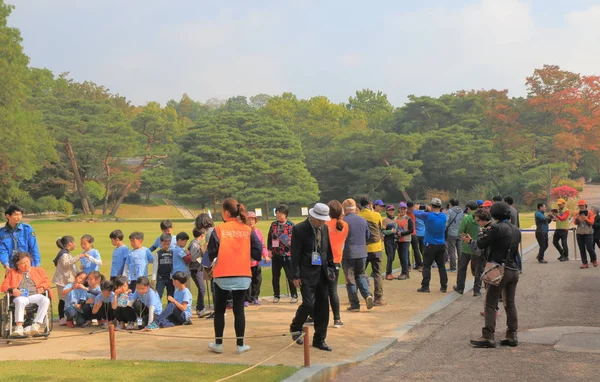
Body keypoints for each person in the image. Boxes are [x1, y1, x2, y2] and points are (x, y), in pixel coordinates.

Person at [206, 198, 262, 354]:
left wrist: (207, 267)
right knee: (239, 310)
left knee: (219, 310)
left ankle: (218, 343)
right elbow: (257, 253)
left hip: (222, 274)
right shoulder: (247, 229)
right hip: (243, 274)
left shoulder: (219, 229)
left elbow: (210, 253)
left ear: (225, 212)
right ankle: (240, 344)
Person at [470, 202, 520, 348]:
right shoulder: (516, 229)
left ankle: (488, 336)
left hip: (498, 267)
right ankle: (512, 334)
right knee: (509, 303)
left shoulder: (496, 228)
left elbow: (481, 243)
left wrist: (481, 232)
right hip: (513, 268)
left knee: (490, 303)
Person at [290, 203, 335, 352]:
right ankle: (296, 327)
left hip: (322, 272)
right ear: (312, 216)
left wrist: (331, 266)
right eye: (319, 220)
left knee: (323, 306)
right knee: (309, 304)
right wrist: (295, 275)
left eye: (323, 220)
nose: (322, 222)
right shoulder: (299, 229)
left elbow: (327, 249)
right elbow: (295, 253)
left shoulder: (324, 228)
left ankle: (320, 339)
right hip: (306, 272)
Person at [0, 252, 51, 337]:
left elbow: (47, 282)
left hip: (34, 295)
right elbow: (4, 286)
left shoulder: (38, 270)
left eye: (27, 261)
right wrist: (12, 289)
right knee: (20, 301)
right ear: (17, 265)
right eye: (23, 263)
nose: (26, 264)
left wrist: (42, 287)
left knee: (45, 300)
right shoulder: (12, 272)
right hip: (20, 296)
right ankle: (19, 327)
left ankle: (36, 325)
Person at [341, 198, 374, 311]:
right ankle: (367, 295)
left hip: (348, 253)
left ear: (344, 209)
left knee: (350, 279)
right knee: (360, 275)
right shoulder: (362, 220)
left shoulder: (343, 221)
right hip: (362, 252)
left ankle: (355, 304)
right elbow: (368, 236)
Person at [414, 198, 448, 293]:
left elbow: (416, 213)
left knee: (426, 266)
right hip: (441, 244)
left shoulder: (428, 215)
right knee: (441, 266)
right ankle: (443, 286)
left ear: (431, 206)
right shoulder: (443, 216)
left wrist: (416, 208)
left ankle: (425, 286)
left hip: (430, 244)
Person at [324, 200, 349, 328]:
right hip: (337, 260)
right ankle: (337, 319)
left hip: (324, 261)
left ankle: (314, 316)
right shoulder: (344, 225)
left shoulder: (325, 225)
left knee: (321, 291)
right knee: (333, 291)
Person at [358, 196, 386, 306]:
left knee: (359, 274)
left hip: (363, 249)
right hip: (376, 247)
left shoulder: (359, 216)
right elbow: (380, 228)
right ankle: (378, 298)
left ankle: (356, 297)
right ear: (370, 204)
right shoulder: (376, 215)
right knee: (377, 273)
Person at [267, 205, 297, 303]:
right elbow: (269, 238)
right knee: (275, 276)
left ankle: (294, 295)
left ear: (285, 214)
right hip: (276, 255)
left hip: (287, 255)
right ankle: (276, 295)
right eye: (277, 213)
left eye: (280, 213)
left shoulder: (291, 225)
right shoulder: (273, 224)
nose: (278, 215)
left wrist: (283, 237)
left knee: (290, 276)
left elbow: (295, 240)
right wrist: (269, 250)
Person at [53, 236, 83, 325]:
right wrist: (79, 257)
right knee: (62, 299)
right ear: (70, 243)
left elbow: (72, 267)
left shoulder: (66, 253)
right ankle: (62, 318)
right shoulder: (64, 254)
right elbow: (66, 264)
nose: (74, 244)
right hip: (62, 281)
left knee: (68, 299)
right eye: (73, 242)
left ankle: (67, 318)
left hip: (67, 281)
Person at [454, 201, 483, 296]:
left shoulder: (467, 219)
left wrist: (465, 238)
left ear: (468, 208)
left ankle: (460, 287)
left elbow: (461, 232)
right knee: (479, 269)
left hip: (466, 247)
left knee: (462, 268)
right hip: (479, 247)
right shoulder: (482, 217)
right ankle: (477, 290)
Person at [0, 204, 41, 269]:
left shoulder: (27, 229)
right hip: (11, 267)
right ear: (8, 216)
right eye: (16, 215)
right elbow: (2, 250)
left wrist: (37, 265)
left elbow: (34, 248)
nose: (19, 217)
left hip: (27, 267)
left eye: (20, 214)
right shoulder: (2, 232)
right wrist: (6, 265)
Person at [245, 212, 269, 306]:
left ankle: (255, 297)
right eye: (249, 219)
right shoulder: (243, 231)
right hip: (245, 262)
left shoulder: (258, 232)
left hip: (256, 261)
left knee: (257, 280)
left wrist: (265, 255)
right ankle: (246, 299)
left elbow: (262, 245)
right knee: (247, 281)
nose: (251, 221)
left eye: (253, 219)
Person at [195, 213, 215, 318]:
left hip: (214, 263)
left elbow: (211, 249)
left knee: (214, 287)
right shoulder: (214, 229)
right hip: (218, 261)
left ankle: (218, 311)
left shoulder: (209, 232)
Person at [188, 227, 209, 316]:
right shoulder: (195, 244)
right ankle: (200, 309)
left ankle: (200, 308)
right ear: (202, 235)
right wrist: (202, 252)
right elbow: (193, 258)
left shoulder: (197, 243)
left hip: (198, 268)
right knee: (202, 289)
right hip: (195, 269)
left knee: (202, 289)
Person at [574, 200, 597, 269]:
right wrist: (577, 218)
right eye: (580, 206)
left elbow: (592, 223)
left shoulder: (590, 213)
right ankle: (584, 263)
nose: (581, 207)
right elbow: (575, 223)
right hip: (579, 233)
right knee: (582, 249)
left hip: (588, 233)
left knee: (590, 248)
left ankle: (594, 259)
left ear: (585, 205)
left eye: (582, 205)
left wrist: (586, 218)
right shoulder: (577, 213)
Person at [395, 202, 414, 280]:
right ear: (399, 209)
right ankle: (403, 272)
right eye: (401, 208)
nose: (402, 210)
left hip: (406, 240)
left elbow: (411, 230)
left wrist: (402, 233)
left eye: (404, 209)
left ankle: (405, 273)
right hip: (398, 240)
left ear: (406, 209)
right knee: (400, 256)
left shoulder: (408, 219)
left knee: (404, 256)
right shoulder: (397, 218)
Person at [152, 233, 174, 299]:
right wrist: (153, 278)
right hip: (161, 278)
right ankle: (158, 309)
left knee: (171, 295)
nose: (166, 246)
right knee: (158, 295)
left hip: (170, 278)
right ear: (160, 243)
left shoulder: (172, 252)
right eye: (164, 244)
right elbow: (155, 266)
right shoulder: (158, 254)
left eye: (168, 244)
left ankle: (170, 309)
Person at [504, 196, 522, 271]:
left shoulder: (508, 210)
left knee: (513, 251)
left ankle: (517, 266)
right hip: (516, 230)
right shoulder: (514, 209)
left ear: (506, 202)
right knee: (515, 250)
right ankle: (519, 266)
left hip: (511, 231)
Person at [445, 198, 464, 272]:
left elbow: (446, 222)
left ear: (450, 204)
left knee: (452, 250)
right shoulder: (461, 211)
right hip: (460, 232)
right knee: (460, 250)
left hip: (451, 233)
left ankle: (453, 267)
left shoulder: (449, 211)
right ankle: (461, 267)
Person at [382, 205, 398, 280]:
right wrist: (390, 231)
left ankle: (390, 273)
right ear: (387, 211)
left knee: (393, 257)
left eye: (393, 210)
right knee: (390, 257)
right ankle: (388, 273)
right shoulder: (385, 220)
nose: (391, 211)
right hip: (388, 240)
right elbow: (383, 231)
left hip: (394, 240)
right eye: (390, 210)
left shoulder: (395, 219)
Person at [407, 201, 424, 271]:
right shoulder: (415, 213)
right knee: (416, 250)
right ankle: (419, 265)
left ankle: (408, 266)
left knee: (407, 250)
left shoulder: (407, 213)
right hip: (414, 233)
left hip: (408, 234)